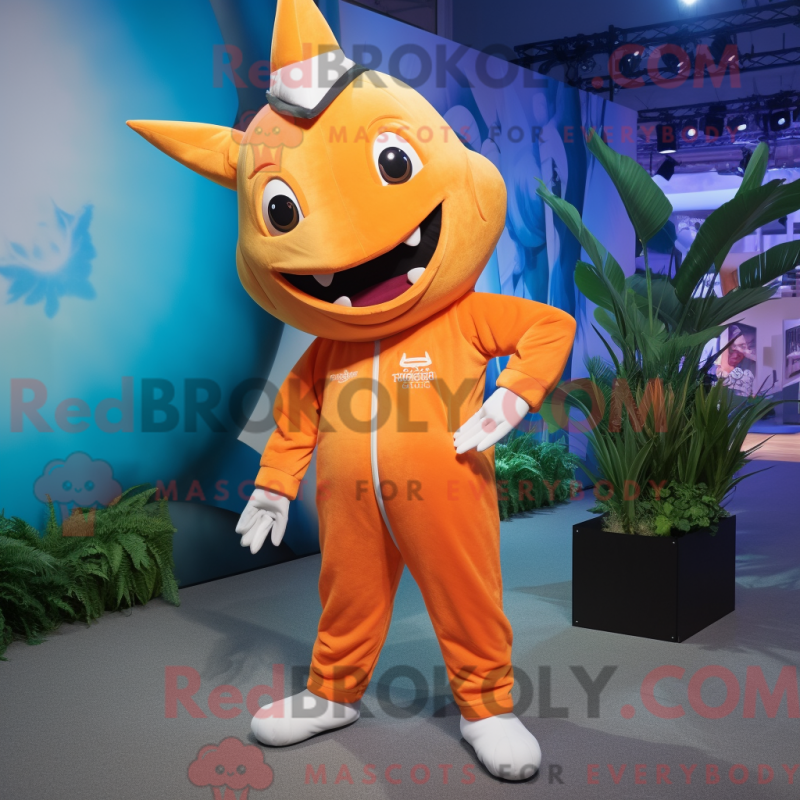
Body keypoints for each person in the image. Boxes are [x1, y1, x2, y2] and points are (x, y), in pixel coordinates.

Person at [128, 0, 576, 780]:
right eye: (282, 212)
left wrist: (512, 396)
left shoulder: (466, 316)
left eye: (394, 164)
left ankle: (487, 705)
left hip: (446, 491)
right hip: (350, 504)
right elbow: (296, 414)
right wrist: (274, 485)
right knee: (346, 593)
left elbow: (549, 327)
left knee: (466, 593)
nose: (341, 243)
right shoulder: (328, 348)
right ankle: (333, 692)